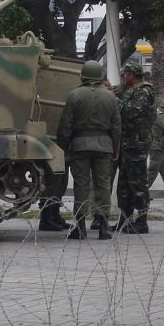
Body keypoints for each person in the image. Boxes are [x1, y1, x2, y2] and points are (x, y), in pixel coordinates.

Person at [55, 60, 121, 240]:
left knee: (81, 185)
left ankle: (81, 226)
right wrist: (115, 149)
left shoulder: (74, 95)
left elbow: (65, 125)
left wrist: (63, 148)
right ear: (100, 77)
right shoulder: (110, 96)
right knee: (103, 185)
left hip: (80, 145)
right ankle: (103, 226)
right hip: (104, 146)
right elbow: (116, 126)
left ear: (83, 76)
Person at [113, 61, 156, 234]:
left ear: (131, 75)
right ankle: (125, 219)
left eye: (125, 74)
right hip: (127, 143)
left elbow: (131, 111)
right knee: (124, 185)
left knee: (138, 183)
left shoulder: (144, 91)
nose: (123, 77)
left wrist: (115, 100)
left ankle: (142, 221)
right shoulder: (130, 90)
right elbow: (119, 92)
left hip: (137, 144)